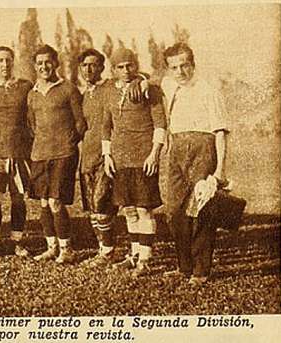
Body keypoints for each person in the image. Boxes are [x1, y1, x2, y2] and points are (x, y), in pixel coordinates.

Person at [162, 43, 228, 286]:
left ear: (193, 64)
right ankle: (183, 266)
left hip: (203, 148)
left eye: (184, 65)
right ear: (168, 70)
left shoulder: (209, 90)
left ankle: (201, 270)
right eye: (174, 67)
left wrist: (219, 170)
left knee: (200, 211)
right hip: (177, 150)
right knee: (175, 210)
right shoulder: (169, 87)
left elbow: (220, 132)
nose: (180, 71)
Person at [77, 49, 145, 268]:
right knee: (93, 209)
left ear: (103, 68)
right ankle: (104, 250)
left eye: (94, 65)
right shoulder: (83, 94)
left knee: (103, 205)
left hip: (109, 157)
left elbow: (134, 79)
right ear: (80, 69)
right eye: (85, 65)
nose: (89, 69)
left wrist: (141, 79)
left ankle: (109, 252)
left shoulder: (111, 87)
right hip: (87, 157)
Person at [101, 48, 166, 277]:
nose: (125, 70)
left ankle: (146, 259)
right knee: (128, 209)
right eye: (120, 67)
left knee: (143, 208)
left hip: (143, 158)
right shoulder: (110, 92)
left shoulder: (149, 90)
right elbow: (106, 127)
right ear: (114, 69)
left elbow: (160, 124)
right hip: (120, 159)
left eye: (129, 65)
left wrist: (154, 153)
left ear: (136, 65)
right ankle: (135, 254)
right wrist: (107, 155)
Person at [26, 45, 86, 263]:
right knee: (43, 202)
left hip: (63, 153)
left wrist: (69, 143)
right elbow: (32, 125)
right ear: (35, 66)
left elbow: (80, 122)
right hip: (40, 154)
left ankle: (66, 248)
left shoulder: (68, 89)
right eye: (40, 63)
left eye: (48, 62)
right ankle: (51, 247)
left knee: (55, 202)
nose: (44, 67)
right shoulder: (32, 94)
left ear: (56, 63)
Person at [0, 46, 33, 258]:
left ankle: (17, 241)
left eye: (8, 60)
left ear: (13, 61)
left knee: (18, 198)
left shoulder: (25, 86)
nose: (5, 65)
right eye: (0, 61)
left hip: (19, 152)